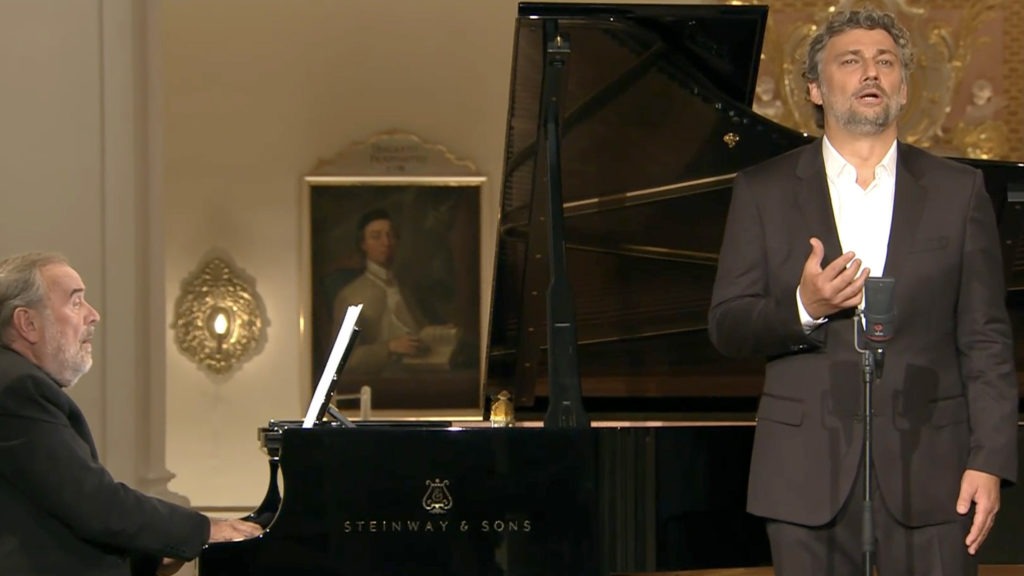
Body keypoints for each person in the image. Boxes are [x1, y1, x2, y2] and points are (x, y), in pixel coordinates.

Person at [708, 8, 1017, 575]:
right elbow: (727, 324)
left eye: (886, 62)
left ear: (902, 84)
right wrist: (806, 307)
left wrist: (990, 460)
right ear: (816, 88)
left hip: (936, 478)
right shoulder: (764, 191)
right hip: (806, 478)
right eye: (850, 61)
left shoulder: (959, 190)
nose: (870, 73)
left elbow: (987, 340)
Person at [0, 252, 263, 576]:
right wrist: (202, 530)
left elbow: (53, 524)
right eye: (76, 302)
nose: (93, 315)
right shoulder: (18, 389)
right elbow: (92, 502)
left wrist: (149, 558)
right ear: (28, 323)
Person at [331, 208, 437, 374]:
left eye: (391, 235)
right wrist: (389, 347)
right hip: (380, 386)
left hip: (421, 377)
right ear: (363, 244)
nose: (386, 242)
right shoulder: (351, 296)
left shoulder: (406, 290)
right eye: (376, 236)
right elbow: (343, 360)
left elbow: (421, 334)